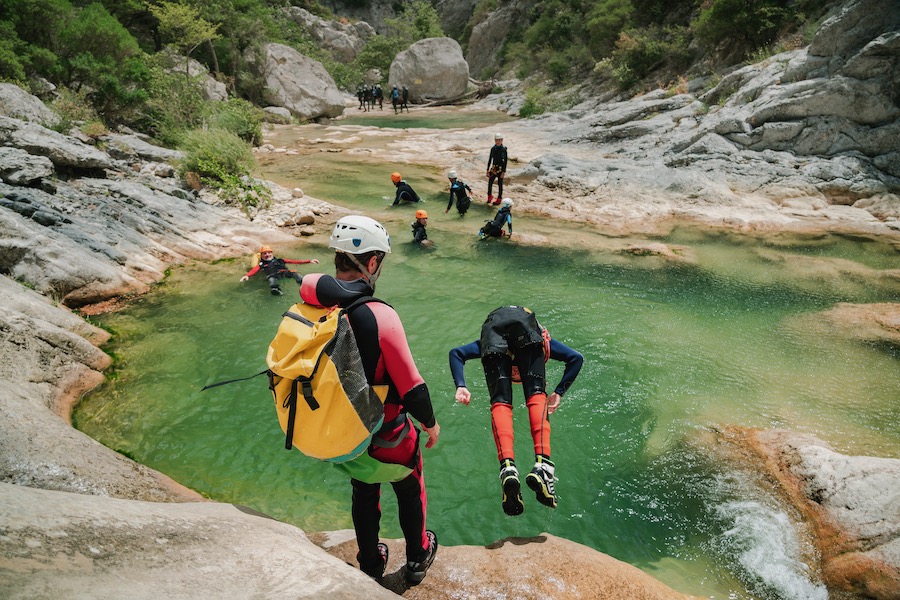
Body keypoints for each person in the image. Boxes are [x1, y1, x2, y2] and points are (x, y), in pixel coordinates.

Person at [299, 215, 440, 583]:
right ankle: (417, 557)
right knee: (411, 486)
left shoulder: (319, 308)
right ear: (372, 262)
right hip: (389, 436)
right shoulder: (380, 315)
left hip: (345, 435)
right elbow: (412, 386)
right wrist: (430, 423)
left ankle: (371, 563)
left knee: (364, 492)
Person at [448, 306, 583, 516]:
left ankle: (508, 468)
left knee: (500, 402)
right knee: (536, 394)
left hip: (493, 332)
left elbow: (456, 354)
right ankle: (543, 466)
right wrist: (558, 392)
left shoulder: (485, 345)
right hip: (526, 329)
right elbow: (576, 358)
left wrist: (461, 385)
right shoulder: (544, 342)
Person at [239, 245, 319, 295]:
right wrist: (247, 275)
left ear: (272, 253)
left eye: (269, 253)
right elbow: (254, 270)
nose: (267, 255)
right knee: (271, 279)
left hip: (284, 273)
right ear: (261, 255)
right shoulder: (261, 264)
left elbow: (294, 261)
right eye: (265, 253)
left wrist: (309, 261)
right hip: (273, 275)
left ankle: (303, 283)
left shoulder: (280, 260)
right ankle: (276, 289)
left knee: (296, 274)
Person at [486, 133, 508, 205]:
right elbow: (490, 159)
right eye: (496, 140)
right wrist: (487, 169)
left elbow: (505, 161)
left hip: (501, 168)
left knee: (500, 183)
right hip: (494, 167)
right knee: (490, 182)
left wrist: (503, 172)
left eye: (499, 140)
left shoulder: (503, 149)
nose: (498, 142)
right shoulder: (493, 149)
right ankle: (490, 196)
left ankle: (499, 198)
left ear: (502, 140)